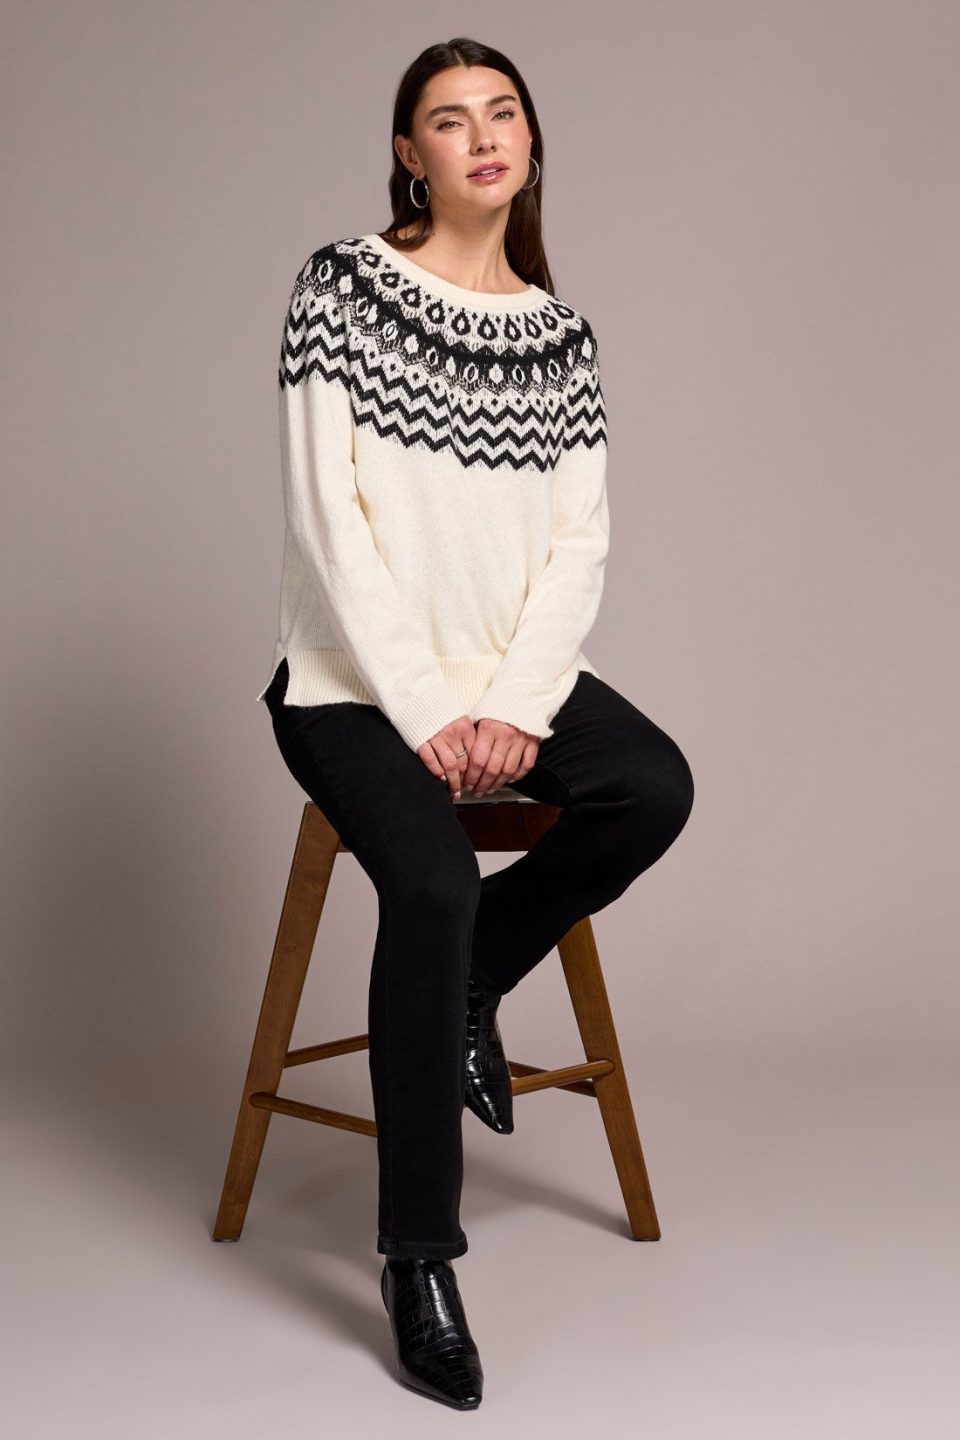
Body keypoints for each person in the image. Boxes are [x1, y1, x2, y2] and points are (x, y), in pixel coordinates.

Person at [257, 36, 695, 1411]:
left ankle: (469, 985)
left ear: (530, 140)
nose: (483, 136)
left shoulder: (560, 335)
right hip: (349, 683)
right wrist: (431, 706)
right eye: (450, 120)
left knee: (653, 787)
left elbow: (579, 545)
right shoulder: (342, 287)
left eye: (503, 112)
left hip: (509, 680)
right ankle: (418, 1260)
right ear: (411, 155)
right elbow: (330, 524)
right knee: (435, 881)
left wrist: (508, 702)